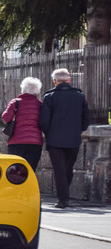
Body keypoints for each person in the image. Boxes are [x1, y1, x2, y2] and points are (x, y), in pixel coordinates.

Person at [39, 68, 90, 208]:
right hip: (73, 139)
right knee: (68, 168)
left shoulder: (49, 96)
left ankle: (63, 199)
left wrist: (49, 133)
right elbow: (86, 118)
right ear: (69, 80)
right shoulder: (79, 96)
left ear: (55, 81)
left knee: (59, 170)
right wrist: (78, 130)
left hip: (55, 140)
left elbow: (44, 120)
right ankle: (64, 196)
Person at [1, 77, 43, 171]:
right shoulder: (40, 104)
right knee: (30, 171)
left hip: (16, 143)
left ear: (23, 89)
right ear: (37, 91)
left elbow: (5, 118)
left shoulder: (15, 102)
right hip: (35, 143)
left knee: (14, 172)